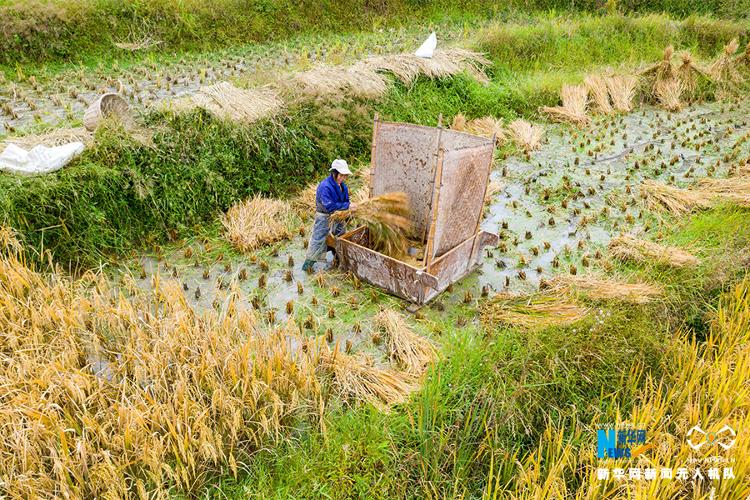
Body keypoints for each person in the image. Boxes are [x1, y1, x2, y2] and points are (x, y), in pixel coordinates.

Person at [302, 159, 353, 272]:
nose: (343, 178)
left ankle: (339, 259)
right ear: (334, 173)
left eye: (345, 176)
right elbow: (330, 206)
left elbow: (346, 200)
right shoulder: (325, 186)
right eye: (341, 175)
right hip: (324, 216)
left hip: (339, 216)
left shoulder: (343, 187)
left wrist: (347, 207)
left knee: (341, 236)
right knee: (318, 239)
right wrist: (347, 206)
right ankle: (307, 266)